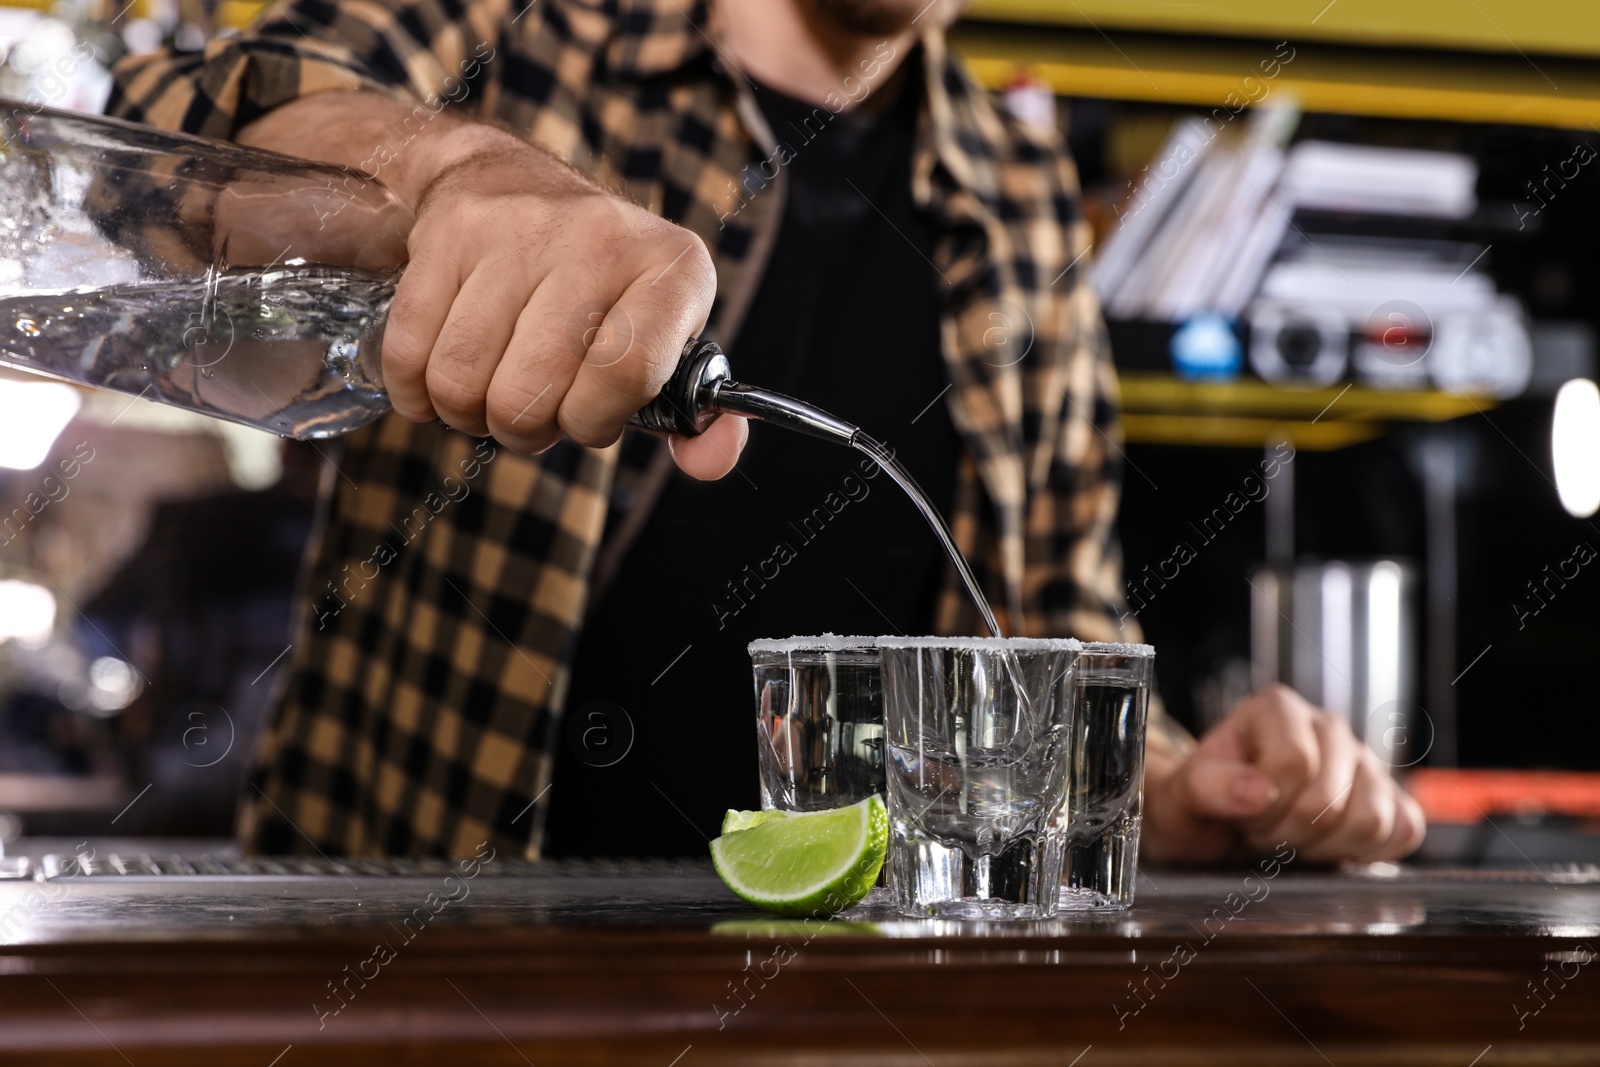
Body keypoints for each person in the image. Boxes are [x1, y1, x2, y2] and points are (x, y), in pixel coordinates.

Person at [108, 0, 1423, 866]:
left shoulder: (1018, 202)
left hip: (844, 1013)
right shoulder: (519, 33)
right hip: (433, 987)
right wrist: (449, 173)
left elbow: (1049, 642)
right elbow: (168, 133)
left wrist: (1186, 797)